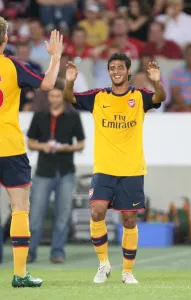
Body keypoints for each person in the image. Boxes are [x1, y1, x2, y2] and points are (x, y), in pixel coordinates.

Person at [63, 52, 166, 284]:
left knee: (129, 220)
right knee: (97, 211)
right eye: (112, 67)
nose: (116, 71)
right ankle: (103, 264)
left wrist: (156, 80)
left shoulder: (140, 97)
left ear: (128, 71)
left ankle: (127, 272)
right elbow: (69, 98)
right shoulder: (98, 97)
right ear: (108, 72)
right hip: (104, 169)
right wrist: (69, 80)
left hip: (132, 169)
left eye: (120, 67)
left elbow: (160, 97)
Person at [0, 16, 63, 288]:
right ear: (5, 39)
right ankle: (20, 273)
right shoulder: (12, 66)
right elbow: (48, 84)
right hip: (9, 146)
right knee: (20, 208)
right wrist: (55, 56)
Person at [26, 80, 85, 264]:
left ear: (63, 97)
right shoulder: (39, 116)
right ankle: (30, 252)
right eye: (52, 95)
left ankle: (57, 252)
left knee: (63, 214)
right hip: (43, 172)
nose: (54, 99)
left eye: (58, 96)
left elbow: (81, 143)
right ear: (48, 97)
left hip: (66, 171)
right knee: (35, 214)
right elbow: (30, 142)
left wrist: (67, 148)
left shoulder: (73, 116)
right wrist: (43, 146)